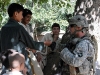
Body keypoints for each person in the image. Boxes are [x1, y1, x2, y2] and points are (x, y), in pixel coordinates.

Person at [0, 3, 51, 75]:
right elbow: (31, 44)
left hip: (6, 63)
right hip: (18, 63)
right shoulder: (19, 28)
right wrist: (44, 43)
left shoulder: (3, 28)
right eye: (21, 14)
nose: (22, 17)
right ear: (16, 14)